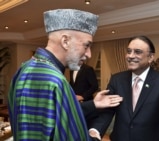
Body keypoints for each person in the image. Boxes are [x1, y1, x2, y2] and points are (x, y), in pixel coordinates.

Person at [8, 9, 122, 141]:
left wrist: (93, 104)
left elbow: (54, 115)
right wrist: (94, 137)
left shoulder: (24, 68)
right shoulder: (55, 81)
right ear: (65, 41)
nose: (89, 54)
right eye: (86, 46)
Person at [89, 35, 159, 141]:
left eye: (137, 52)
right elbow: (108, 110)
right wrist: (95, 130)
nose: (130, 56)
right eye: (129, 51)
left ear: (150, 57)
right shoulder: (117, 80)